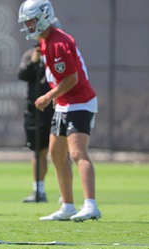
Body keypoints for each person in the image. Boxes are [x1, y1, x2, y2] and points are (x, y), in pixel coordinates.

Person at [18, 0, 101, 221]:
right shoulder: (45, 41)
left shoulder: (59, 42)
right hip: (65, 103)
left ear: (44, 17)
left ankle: (90, 204)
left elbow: (72, 78)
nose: (29, 26)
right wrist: (57, 97)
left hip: (80, 102)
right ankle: (67, 205)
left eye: (32, 21)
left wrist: (48, 96)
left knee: (77, 152)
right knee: (56, 153)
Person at [18, 43, 54, 203]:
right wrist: (34, 60)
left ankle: (66, 194)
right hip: (34, 110)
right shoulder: (31, 53)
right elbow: (23, 74)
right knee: (37, 151)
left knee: (61, 151)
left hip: (55, 108)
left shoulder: (58, 52)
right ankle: (38, 190)